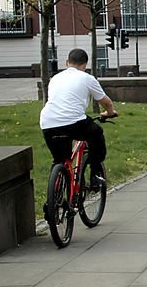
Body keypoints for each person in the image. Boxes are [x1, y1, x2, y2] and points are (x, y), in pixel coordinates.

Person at [40, 48, 116, 192]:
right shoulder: (87, 78)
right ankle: (95, 175)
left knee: (60, 160)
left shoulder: (55, 78)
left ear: (67, 62)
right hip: (73, 122)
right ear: (84, 65)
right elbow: (106, 102)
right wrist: (110, 113)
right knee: (96, 133)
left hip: (47, 122)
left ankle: (54, 200)